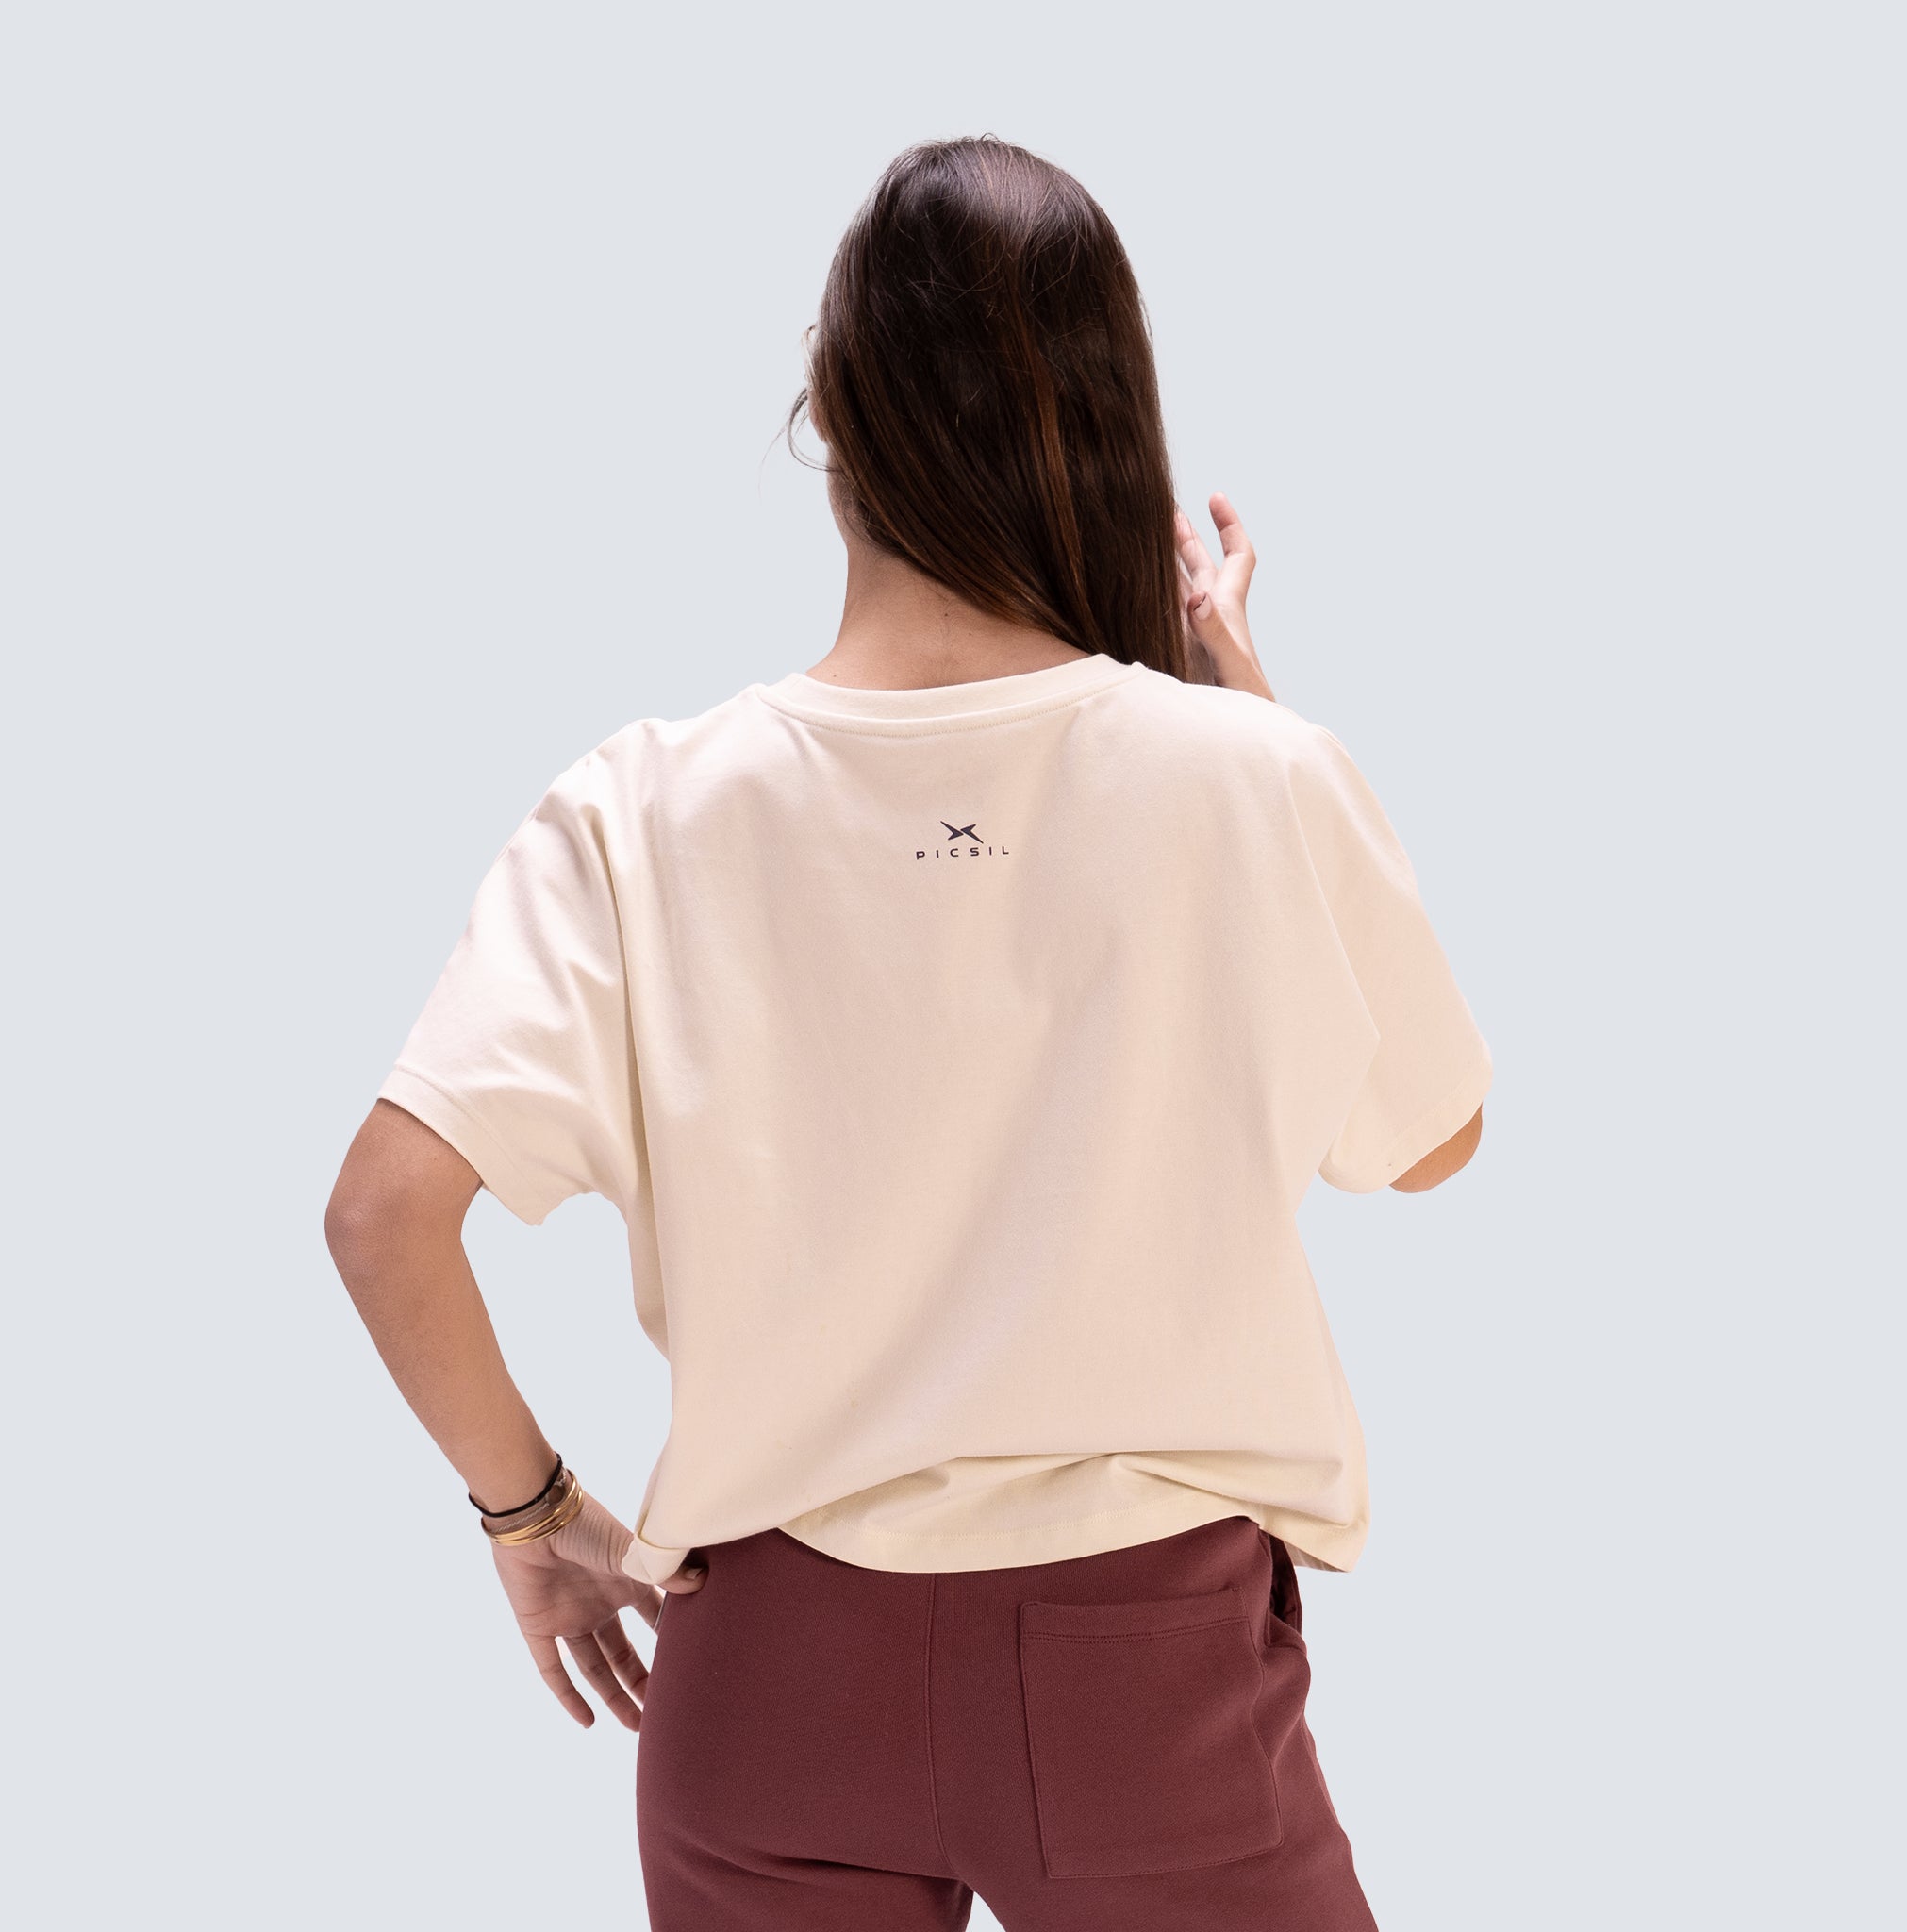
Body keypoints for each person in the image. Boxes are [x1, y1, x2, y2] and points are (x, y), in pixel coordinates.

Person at [325, 135, 1489, 1932]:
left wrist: (532, 1517)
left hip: (762, 1681)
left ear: (836, 421)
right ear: (1104, 430)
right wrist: (1248, 702)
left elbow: (383, 1212)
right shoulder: (1251, 780)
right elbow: (1427, 1139)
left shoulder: (642, 807)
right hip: (1139, 1679)